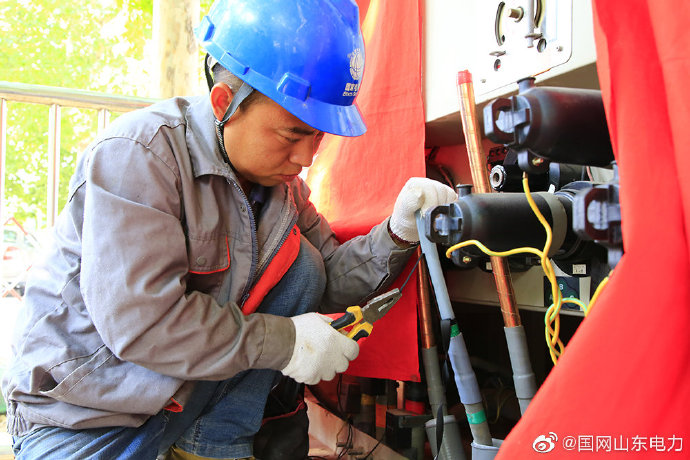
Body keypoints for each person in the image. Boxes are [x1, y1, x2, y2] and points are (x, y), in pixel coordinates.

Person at [1, 0, 457, 458]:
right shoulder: (138, 156)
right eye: (292, 134)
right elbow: (143, 323)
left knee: (304, 265)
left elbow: (328, 282)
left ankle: (213, 446)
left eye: (318, 136)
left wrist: (397, 232)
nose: (306, 158)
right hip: (87, 417)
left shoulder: (283, 191)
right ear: (225, 104)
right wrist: (286, 342)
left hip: (187, 408)